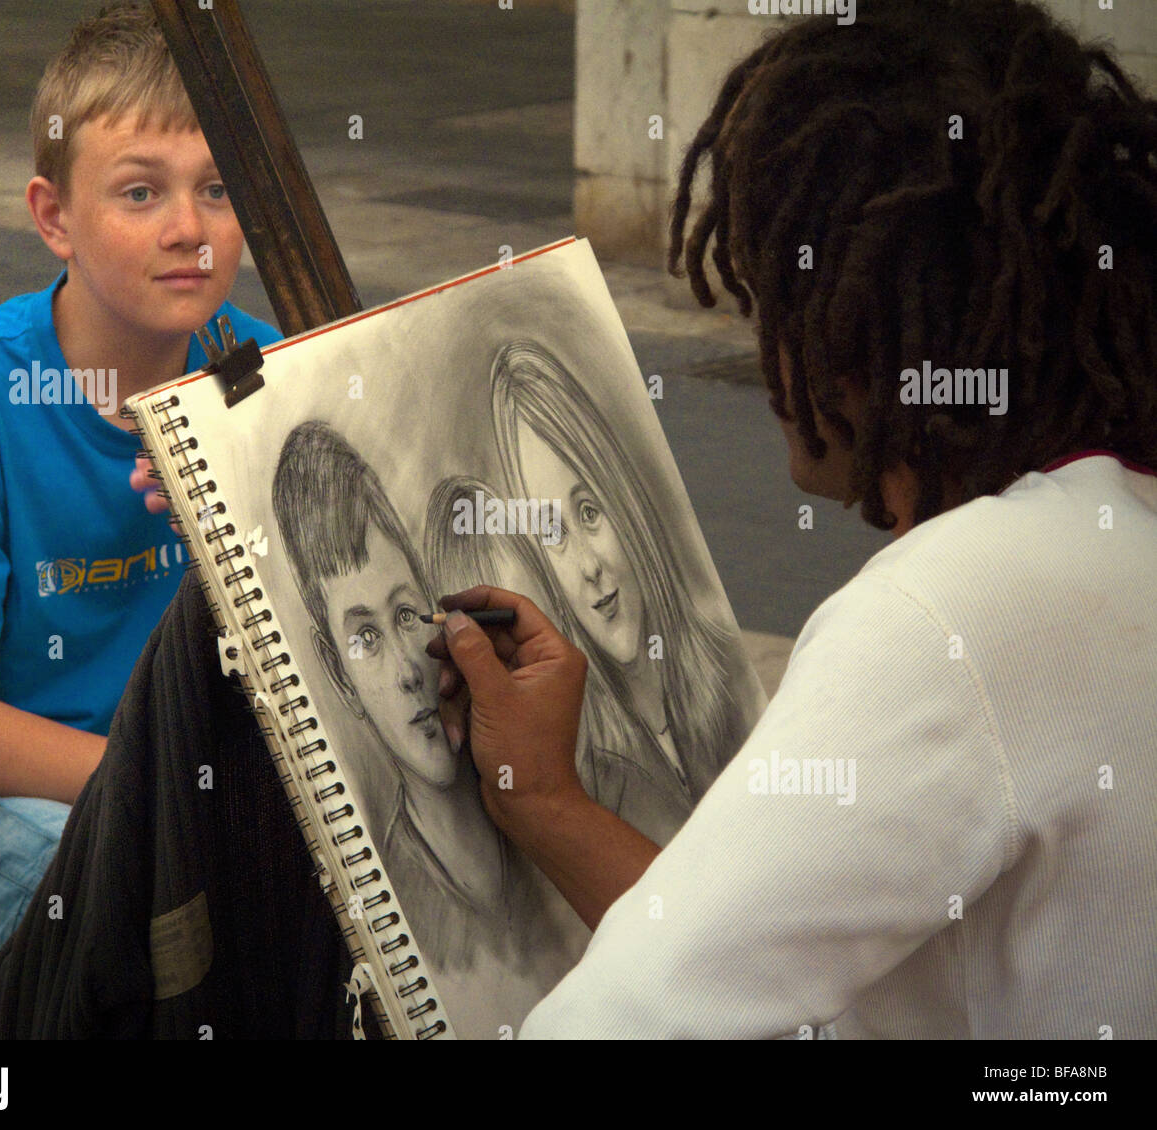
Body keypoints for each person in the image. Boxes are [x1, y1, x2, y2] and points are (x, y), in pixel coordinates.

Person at [429, 0, 1157, 1038]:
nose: (759, 333)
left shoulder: (957, 609)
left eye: (775, 288)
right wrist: (545, 798)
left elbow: (624, 1019)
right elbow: (771, 965)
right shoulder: (1105, 524)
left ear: (856, 334)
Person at [0, 2, 280, 974]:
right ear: (55, 217)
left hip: (166, 767)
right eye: (140, 193)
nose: (189, 228)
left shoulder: (260, 370)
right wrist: (172, 791)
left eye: (217, 190)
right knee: (101, 909)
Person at [272, 423, 569, 988]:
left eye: (406, 616)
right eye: (364, 639)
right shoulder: (389, 901)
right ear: (336, 672)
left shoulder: (538, 778)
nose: (409, 672)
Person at [490, 340, 765, 842]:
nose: (589, 567)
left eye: (590, 512)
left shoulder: (723, 668)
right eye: (552, 533)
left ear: (626, 505)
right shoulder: (578, 755)